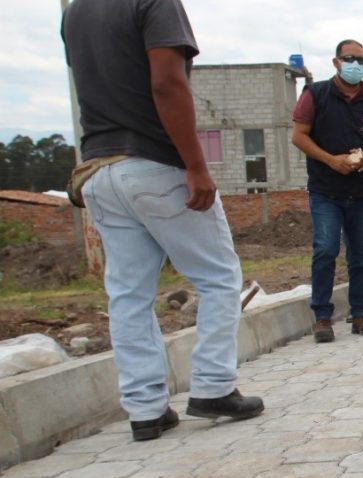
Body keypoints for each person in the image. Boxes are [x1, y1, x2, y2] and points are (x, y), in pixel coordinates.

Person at [61, 0, 264, 442]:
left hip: (99, 170)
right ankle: (213, 386)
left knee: (128, 293)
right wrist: (195, 165)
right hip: (154, 165)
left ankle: (146, 409)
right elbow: (167, 84)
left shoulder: (76, 11)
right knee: (218, 277)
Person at [291, 39, 363, 342]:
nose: (356, 65)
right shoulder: (315, 94)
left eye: (362, 60)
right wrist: (330, 160)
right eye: (350, 59)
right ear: (336, 62)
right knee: (325, 248)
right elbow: (298, 136)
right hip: (326, 190)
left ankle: (360, 314)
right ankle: (322, 317)